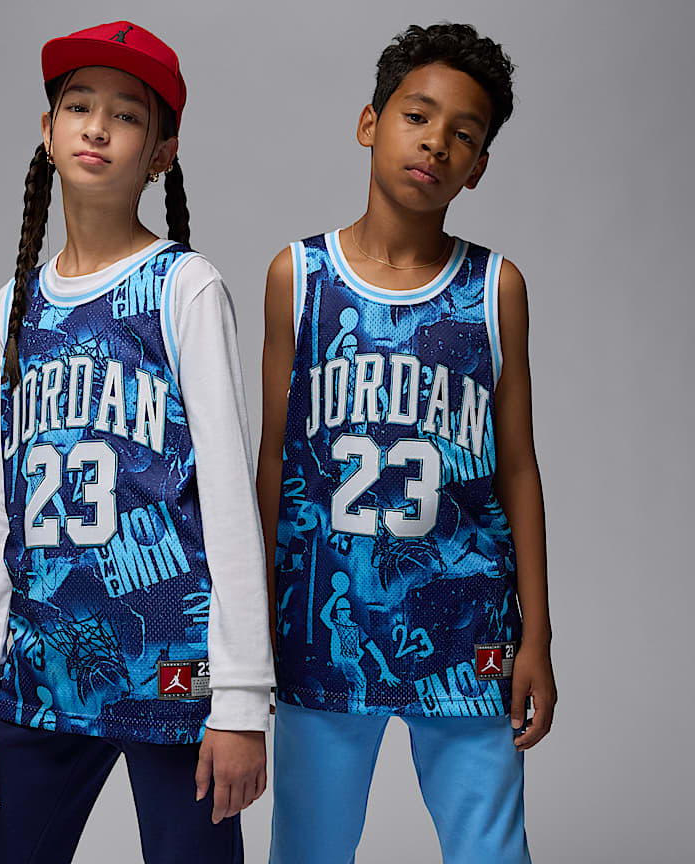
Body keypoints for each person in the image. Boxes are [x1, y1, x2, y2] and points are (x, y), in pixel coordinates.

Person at [0, 21, 274, 864]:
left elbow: (228, 504)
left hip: (174, 671)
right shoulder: (12, 307)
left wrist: (241, 699)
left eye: (127, 114)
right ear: (47, 129)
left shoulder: (184, 287)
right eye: (78, 106)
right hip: (43, 666)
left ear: (161, 152)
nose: (97, 127)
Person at [257, 22, 557, 864]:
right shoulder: (298, 277)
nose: (436, 143)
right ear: (370, 122)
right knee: (309, 851)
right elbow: (275, 456)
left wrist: (538, 637)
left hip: (468, 629)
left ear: (479, 165)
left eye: (464, 134)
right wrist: (252, 622)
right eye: (417, 116)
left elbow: (518, 468)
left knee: (489, 851)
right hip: (323, 627)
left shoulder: (494, 288)